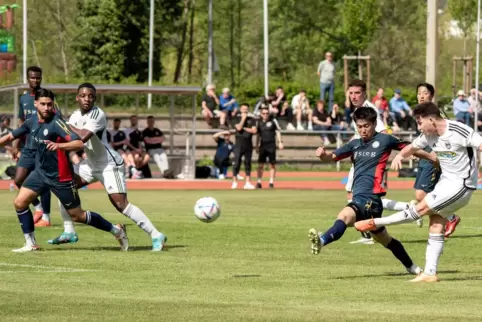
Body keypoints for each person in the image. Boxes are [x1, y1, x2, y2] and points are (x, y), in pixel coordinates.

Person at [355, 102, 482, 282]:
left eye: (420, 122)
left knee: (420, 210)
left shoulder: (458, 130)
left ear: (431, 119)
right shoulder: (428, 136)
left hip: (461, 185)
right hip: (445, 183)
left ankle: (374, 222)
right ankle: (430, 273)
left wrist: (376, 222)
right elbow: (411, 147)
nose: (418, 127)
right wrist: (399, 156)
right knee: (436, 223)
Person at [0, 88, 128, 252]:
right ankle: (30, 243)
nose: (47, 108)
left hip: (61, 177)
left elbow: (79, 143)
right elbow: (11, 137)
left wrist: (59, 145)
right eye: (43, 104)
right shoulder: (31, 121)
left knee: (78, 215)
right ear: (36, 104)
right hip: (40, 173)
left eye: (50, 104)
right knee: (19, 202)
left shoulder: (57, 123)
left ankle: (116, 230)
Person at [308, 107, 432, 275]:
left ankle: (321, 241)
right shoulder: (354, 144)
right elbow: (331, 157)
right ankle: (413, 267)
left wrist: (433, 158)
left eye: (366, 126)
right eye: (359, 126)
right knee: (386, 241)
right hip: (366, 201)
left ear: (374, 124)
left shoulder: (385, 140)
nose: (362, 130)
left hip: (371, 198)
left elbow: (411, 148)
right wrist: (322, 154)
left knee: (344, 216)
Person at [48, 83, 166, 251]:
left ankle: (156, 235)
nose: (87, 99)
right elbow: (70, 137)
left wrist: (62, 122)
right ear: (77, 97)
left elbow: (82, 137)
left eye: (90, 96)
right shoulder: (74, 116)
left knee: (121, 205)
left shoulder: (98, 114)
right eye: (83, 95)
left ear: (94, 99)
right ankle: (69, 231)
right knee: (63, 185)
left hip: (109, 165)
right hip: (90, 164)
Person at [381, 83, 461, 236]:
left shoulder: (437, 113)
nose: (421, 96)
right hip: (425, 156)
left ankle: (450, 217)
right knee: (427, 194)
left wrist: (439, 154)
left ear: (432, 95)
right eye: (419, 93)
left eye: (425, 93)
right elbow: (424, 137)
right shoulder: (420, 113)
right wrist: (414, 150)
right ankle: (444, 221)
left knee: (421, 194)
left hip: (433, 157)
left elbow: (446, 133)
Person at [344, 80, 388, 245]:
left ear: (364, 93)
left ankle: (369, 232)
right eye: (351, 93)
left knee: (355, 194)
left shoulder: (370, 110)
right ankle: (370, 230)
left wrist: (379, 156)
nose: (353, 96)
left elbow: (383, 132)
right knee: (356, 194)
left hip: (367, 162)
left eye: (357, 93)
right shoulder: (358, 110)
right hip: (360, 160)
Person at [12, 66, 52, 227]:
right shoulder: (24, 99)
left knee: (44, 182)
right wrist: (16, 144)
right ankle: (38, 207)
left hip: (43, 147)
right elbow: (22, 123)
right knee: (18, 179)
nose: (35, 80)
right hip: (28, 146)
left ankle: (46, 218)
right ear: (27, 78)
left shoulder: (46, 96)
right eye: (33, 77)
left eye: (38, 78)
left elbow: (54, 118)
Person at [255, 107, 284, 189]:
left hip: (271, 145)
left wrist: (280, 142)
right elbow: (258, 135)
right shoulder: (259, 123)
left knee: (272, 165)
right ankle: (259, 182)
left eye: (267, 113)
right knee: (260, 165)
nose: (265, 115)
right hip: (263, 146)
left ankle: (271, 182)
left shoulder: (273, 121)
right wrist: (257, 146)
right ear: (261, 114)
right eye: (263, 113)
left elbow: (278, 131)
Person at [231, 103, 257, 189]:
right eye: (243, 109)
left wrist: (245, 128)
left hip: (248, 143)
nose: (245, 110)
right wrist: (243, 119)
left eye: (246, 109)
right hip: (239, 143)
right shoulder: (236, 118)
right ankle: (234, 181)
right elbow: (238, 128)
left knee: (248, 162)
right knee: (237, 162)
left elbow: (254, 131)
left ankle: (248, 182)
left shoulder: (252, 119)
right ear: (240, 109)